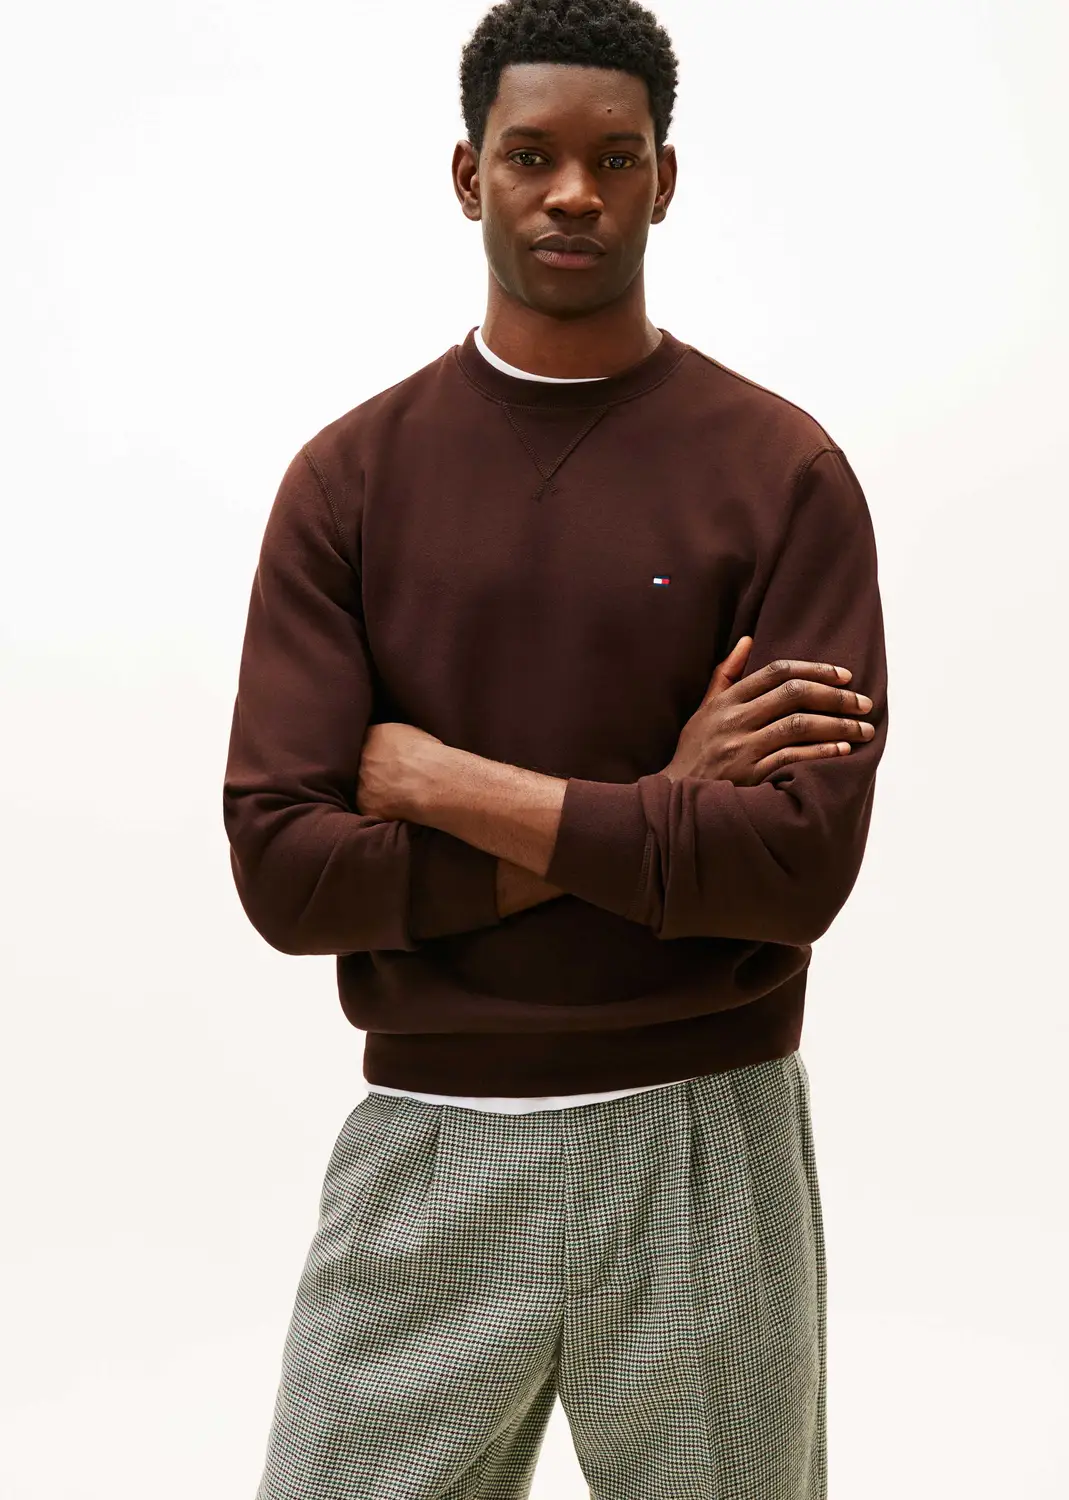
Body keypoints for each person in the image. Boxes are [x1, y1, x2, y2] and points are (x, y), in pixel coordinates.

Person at [222, 1, 889, 1495]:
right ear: (470, 175)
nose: (573, 192)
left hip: (709, 1145)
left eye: (614, 157)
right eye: (531, 155)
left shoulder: (781, 475)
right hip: (430, 1145)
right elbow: (288, 873)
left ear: (665, 179)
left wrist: (449, 785)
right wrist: (660, 817)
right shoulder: (349, 482)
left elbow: (794, 867)